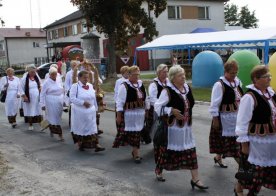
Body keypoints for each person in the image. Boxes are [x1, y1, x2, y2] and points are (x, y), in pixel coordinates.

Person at [154, 65, 208, 190]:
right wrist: (171, 110)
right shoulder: (167, 91)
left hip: (186, 128)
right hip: (173, 129)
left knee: (191, 152)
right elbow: (157, 107)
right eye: (180, 75)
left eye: (183, 74)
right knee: (167, 153)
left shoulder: (187, 88)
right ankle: (159, 170)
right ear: (173, 78)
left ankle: (195, 179)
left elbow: (191, 103)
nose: (184, 77)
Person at [235, 65, 276, 196]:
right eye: (266, 76)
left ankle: (239, 188)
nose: (269, 78)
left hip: (272, 140)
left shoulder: (271, 93)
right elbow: (242, 121)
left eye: (269, 75)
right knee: (257, 171)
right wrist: (244, 143)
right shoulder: (249, 97)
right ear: (255, 79)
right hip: (258, 141)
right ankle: (246, 192)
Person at [209, 60, 243, 168]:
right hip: (224, 118)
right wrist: (215, 119)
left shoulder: (237, 82)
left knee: (224, 142)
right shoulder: (219, 85)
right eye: (232, 73)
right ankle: (243, 168)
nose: (234, 75)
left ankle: (218, 158)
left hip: (236, 117)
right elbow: (214, 104)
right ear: (226, 72)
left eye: (236, 72)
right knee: (231, 144)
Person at [113, 65, 149, 164]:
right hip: (129, 115)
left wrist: (146, 110)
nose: (137, 77)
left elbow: (146, 98)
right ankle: (136, 154)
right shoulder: (124, 86)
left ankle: (135, 152)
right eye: (135, 75)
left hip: (140, 114)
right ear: (129, 75)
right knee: (133, 134)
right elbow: (120, 102)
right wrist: (119, 115)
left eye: (138, 74)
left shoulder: (141, 84)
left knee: (137, 134)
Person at [70, 70, 105, 152]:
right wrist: (83, 103)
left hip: (91, 112)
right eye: (84, 77)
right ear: (79, 78)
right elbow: (72, 98)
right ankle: (81, 144)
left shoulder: (90, 85)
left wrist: (96, 110)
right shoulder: (75, 86)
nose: (86, 79)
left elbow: (93, 99)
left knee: (92, 128)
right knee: (81, 129)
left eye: (87, 77)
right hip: (80, 113)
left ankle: (97, 145)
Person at [145, 64, 169, 143]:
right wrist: (162, 106)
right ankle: (156, 143)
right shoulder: (154, 84)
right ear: (158, 73)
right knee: (157, 127)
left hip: (168, 110)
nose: (166, 74)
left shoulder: (168, 82)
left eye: (167, 72)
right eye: (164, 72)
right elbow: (153, 99)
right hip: (157, 110)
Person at [40, 67, 64, 141]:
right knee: (54, 117)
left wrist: (64, 100)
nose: (54, 75)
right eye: (53, 74)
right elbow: (42, 94)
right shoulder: (46, 82)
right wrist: (42, 104)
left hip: (59, 100)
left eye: (55, 74)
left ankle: (51, 128)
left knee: (58, 116)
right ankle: (60, 135)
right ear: (49, 74)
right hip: (50, 101)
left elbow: (62, 89)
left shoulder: (58, 80)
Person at [21, 65, 42, 131]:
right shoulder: (24, 78)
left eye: (34, 72)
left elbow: (41, 84)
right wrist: (24, 96)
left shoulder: (36, 77)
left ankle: (41, 125)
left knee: (38, 110)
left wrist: (40, 87)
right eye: (32, 72)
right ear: (28, 72)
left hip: (37, 97)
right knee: (30, 111)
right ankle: (30, 124)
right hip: (29, 98)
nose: (33, 73)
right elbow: (20, 88)